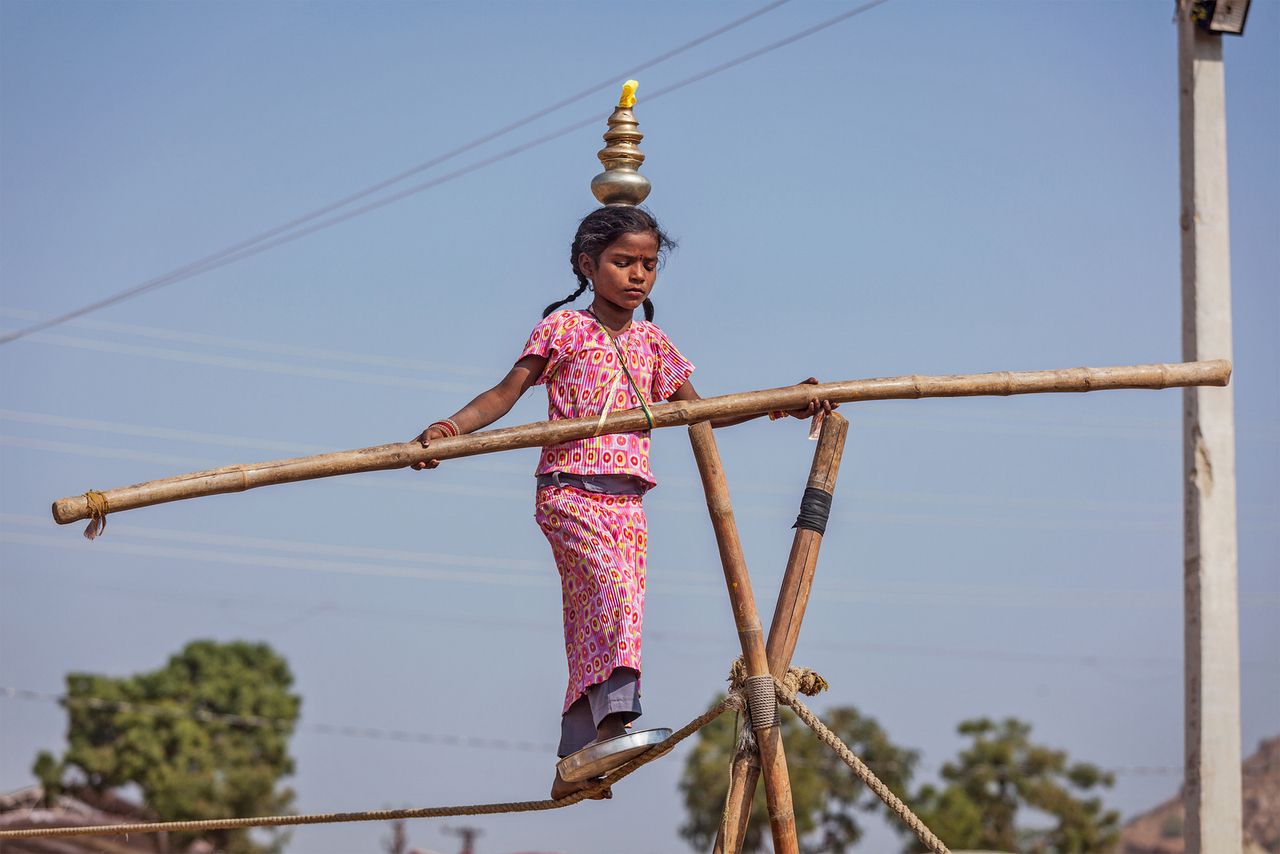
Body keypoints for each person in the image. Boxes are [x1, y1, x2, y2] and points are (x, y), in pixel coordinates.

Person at [411, 205, 833, 799]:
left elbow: (703, 414)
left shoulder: (654, 345)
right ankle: (614, 722)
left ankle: (578, 754)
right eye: (623, 262)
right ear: (588, 265)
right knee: (610, 592)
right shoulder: (561, 330)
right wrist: (450, 430)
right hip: (570, 490)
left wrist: (780, 402)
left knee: (608, 615)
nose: (637, 275)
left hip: (627, 500)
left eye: (649, 265)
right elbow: (503, 395)